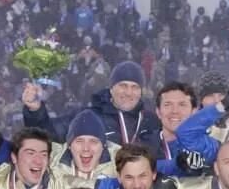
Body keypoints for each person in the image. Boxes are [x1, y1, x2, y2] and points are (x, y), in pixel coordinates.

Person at [24, 60, 159, 152]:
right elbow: (48, 136)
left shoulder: (151, 122)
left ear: (141, 92)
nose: (129, 92)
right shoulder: (88, 116)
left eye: (135, 87)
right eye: (123, 86)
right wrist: (35, 111)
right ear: (111, 89)